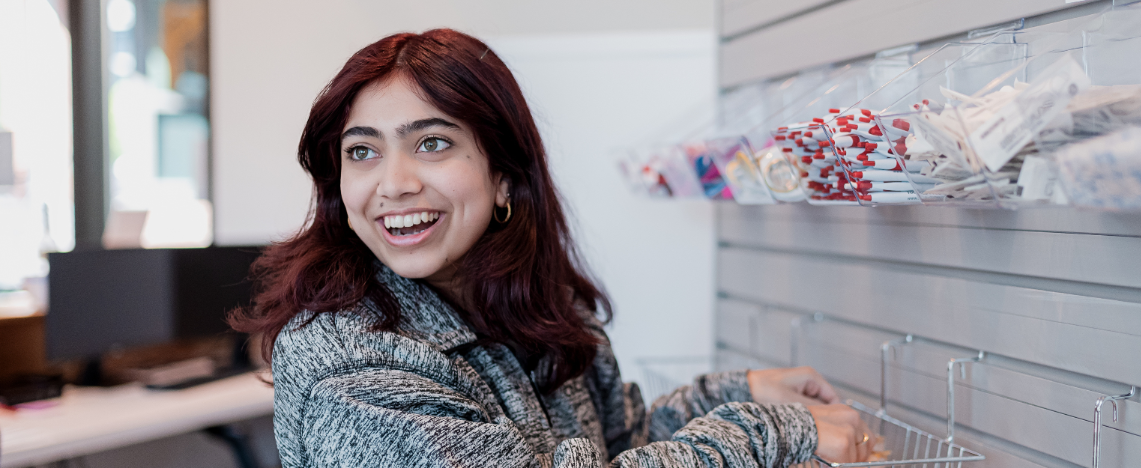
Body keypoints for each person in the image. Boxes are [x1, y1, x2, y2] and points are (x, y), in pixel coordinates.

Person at [231, 29, 874, 467]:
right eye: (362, 151)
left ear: (503, 175)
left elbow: (616, 445)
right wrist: (766, 434)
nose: (394, 183)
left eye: (432, 143)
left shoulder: (534, 304)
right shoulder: (348, 365)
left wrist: (738, 394)